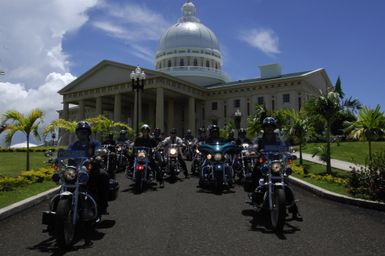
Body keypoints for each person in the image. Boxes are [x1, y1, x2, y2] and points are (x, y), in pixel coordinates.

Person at [254, 117, 303, 221]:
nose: (269, 128)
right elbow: (255, 147)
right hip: (265, 163)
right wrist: (253, 151)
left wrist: (289, 153)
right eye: (267, 126)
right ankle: (257, 200)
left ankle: (294, 210)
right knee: (257, 175)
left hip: (276, 164)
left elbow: (284, 146)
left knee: (285, 184)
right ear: (264, 128)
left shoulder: (278, 139)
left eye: (271, 126)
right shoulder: (260, 139)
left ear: (273, 127)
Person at [68, 121, 109, 216]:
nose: (82, 134)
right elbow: (66, 153)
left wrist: (99, 156)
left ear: (88, 133)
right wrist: (57, 158)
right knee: (65, 183)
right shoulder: (73, 145)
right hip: (75, 171)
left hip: (91, 170)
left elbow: (99, 150)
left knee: (104, 175)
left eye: (84, 132)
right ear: (77, 133)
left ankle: (103, 206)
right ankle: (55, 210)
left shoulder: (94, 144)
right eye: (80, 132)